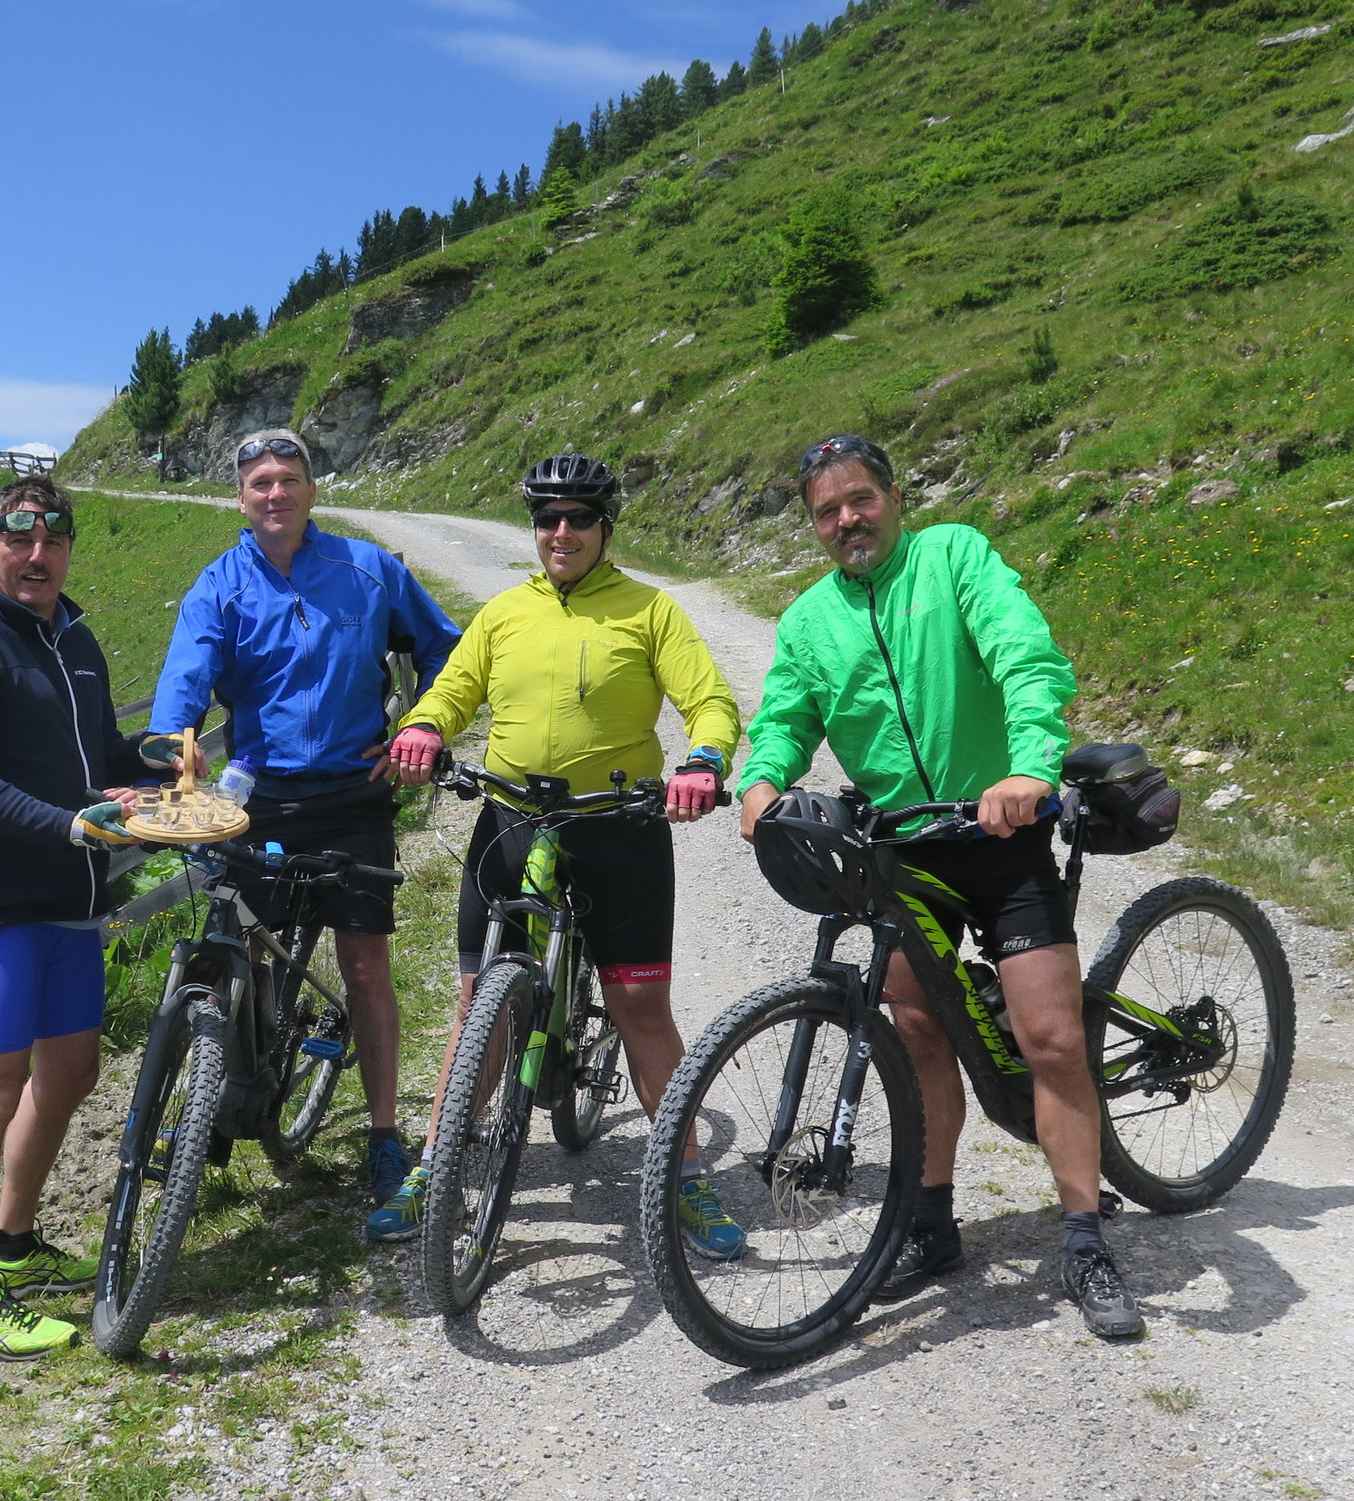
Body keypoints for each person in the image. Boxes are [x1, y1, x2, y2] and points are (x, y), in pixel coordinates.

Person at [735, 433, 1142, 1338]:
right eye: (827, 511)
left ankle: (1084, 1239)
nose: (848, 519)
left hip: (1001, 832)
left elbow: (1023, 653)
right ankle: (930, 1222)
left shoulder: (952, 554)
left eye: (860, 499)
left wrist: (1031, 764)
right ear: (814, 526)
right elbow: (785, 719)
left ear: (892, 495)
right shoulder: (809, 620)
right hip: (906, 852)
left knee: (1050, 1037)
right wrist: (760, 782)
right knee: (919, 1031)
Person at [377, 453, 747, 1256]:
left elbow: (709, 701)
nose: (562, 532)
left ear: (605, 527)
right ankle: (436, 1165)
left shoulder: (649, 610)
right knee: (480, 1005)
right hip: (513, 819)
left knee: (639, 1009)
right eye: (547, 518)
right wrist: (425, 726)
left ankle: (685, 1178)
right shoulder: (506, 611)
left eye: (579, 517)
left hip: (619, 823)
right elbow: (454, 686)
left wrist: (702, 761)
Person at [148, 429, 461, 1207]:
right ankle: (230, 1082)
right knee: (240, 946)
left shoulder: (368, 569)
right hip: (260, 796)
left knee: (363, 966)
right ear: (241, 497)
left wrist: (421, 727)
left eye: (289, 479)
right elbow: (185, 681)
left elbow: (446, 648)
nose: (276, 494)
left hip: (353, 796)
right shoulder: (218, 585)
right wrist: (177, 752)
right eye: (260, 483)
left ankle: (384, 1135)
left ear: (312, 489)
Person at [0, 477, 143, 1362]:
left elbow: (97, 754)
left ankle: (16, 1239)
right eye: (19, 541)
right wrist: (68, 824)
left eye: (53, 542)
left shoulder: (74, 638)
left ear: (68, 550)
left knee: (73, 1072)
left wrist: (152, 753)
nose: (37, 556)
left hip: (73, 898)